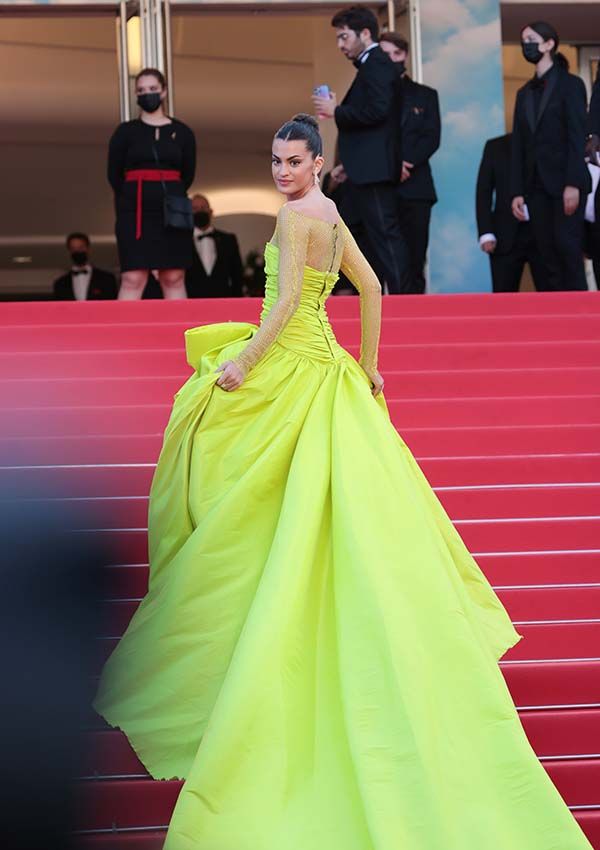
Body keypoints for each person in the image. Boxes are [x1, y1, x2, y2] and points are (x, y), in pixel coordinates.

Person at [92, 114, 594, 850]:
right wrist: (370, 364)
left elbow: (291, 304)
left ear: (320, 163)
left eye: (294, 161)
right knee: (293, 499)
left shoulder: (300, 215)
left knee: (202, 439)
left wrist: (243, 364)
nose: (282, 172)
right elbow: (374, 287)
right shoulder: (328, 212)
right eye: (275, 160)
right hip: (331, 374)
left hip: (289, 370)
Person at [312, 5, 410, 294]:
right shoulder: (373, 64)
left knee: (385, 237)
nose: (341, 45)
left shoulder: (377, 63)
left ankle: (405, 300)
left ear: (365, 33)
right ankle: (381, 296)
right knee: (365, 237)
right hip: (364, 170)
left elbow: (378, 111)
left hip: (374, 170)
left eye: (344, 37)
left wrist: (337, 110)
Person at [510, 21, 591, 291]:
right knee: (545, 254)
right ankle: (557, 320)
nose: (526, 44)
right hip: (535, 187)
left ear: (549, 44)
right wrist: (517, 191)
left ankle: (582, 316)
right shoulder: (523, 93)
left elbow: (577, 136)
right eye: (523, 40)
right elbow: (519, 145)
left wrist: (573, 183)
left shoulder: (571, 85)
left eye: (531, 39)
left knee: (567, 247)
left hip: (565, 184)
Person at [107, 67, 196, 300]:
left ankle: (180, 334)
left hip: (173, 210)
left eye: (153, 89)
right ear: (136, 95)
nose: (147, 94)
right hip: (134, 211)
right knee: (133, 277)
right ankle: (122, 336)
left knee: (174, 276)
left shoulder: (183, 132)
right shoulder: (125, 132)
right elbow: (114, 175)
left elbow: (188, 175)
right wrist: (133, 195)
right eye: (142, 90)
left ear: (164, 92)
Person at [380, 32, 441, 294]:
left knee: (416, 257)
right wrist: (391, 165)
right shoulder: (373, 97)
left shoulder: (426, 95)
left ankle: (416, 320)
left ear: (403, 55)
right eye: (382, 56)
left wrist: (405, 163)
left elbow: (432, 138)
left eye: (393, 54)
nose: (389, 61)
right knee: (386, 260)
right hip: (382, 186)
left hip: (416, 189)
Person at [477, 134, 546, 292]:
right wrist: (486, 232)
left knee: (550, 298)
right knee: (503, 299)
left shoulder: (548, 144)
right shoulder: (495, 146)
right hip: (504, 235)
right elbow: (484, 191)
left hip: (543, 233)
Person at [186, 193, 244, 298]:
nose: (199, 211)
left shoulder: (228, 240)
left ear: (211, 212)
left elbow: (237, 275)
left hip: (224, 301)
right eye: (195, 208)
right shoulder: (182, 242)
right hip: (192, 303)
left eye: (203, 208)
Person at [52, 232, 117, 301]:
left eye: (80, 247)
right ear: (69, 251)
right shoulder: (60, 284)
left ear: (88, 248)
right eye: (73, 248)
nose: (77, 251)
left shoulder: (107, 279)